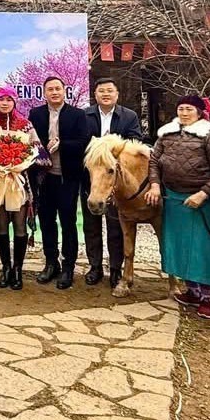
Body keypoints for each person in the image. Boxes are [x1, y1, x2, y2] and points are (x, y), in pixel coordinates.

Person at [145, 95, 210, 319]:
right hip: (174, 199)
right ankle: (192, 292)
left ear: (199, 113)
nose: (184, 113)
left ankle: (206, 298)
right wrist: (155, 185)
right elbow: (154, 161)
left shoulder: (209, 136)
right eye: (181, 108)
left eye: (189, 109)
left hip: (201, 201)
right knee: (180, 246)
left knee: (202, 249)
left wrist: (203, 194)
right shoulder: (166, 134)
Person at [29, 76, 90, 289]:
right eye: (50, 89)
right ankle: (51, 263)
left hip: (67, 177)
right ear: (44, 93)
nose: (54, 92)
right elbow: (30, 142)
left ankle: (68, 267)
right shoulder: (36, 114)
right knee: (46, 221)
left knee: (68, 222)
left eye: (58, 89)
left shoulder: (77, 114)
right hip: (43, 178)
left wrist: (62, 144)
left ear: (65, 91)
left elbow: (84, 142)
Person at [83, 78, 142, 288]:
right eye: (101, 91)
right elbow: (81, 142)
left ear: (117, 94)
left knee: (116, 226)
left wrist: (110, 147)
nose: (105, 94)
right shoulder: (85, 115)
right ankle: (95, 267)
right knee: (91, 226)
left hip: (116, 182)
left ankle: (116, 269)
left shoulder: (129, 116)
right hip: (91, 179)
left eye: (109, 90)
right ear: (95, 95)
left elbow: (135, 141)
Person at [0, 86, 45, 291]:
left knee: (20, 226)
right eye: (1, 99)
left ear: (15, 102)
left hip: (20, 181)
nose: (5, 103)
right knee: (1, 225)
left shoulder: (25, 124)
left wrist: (22, 162)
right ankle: (5, 268)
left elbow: (37, 151)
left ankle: (18, 269)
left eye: (9, 99)